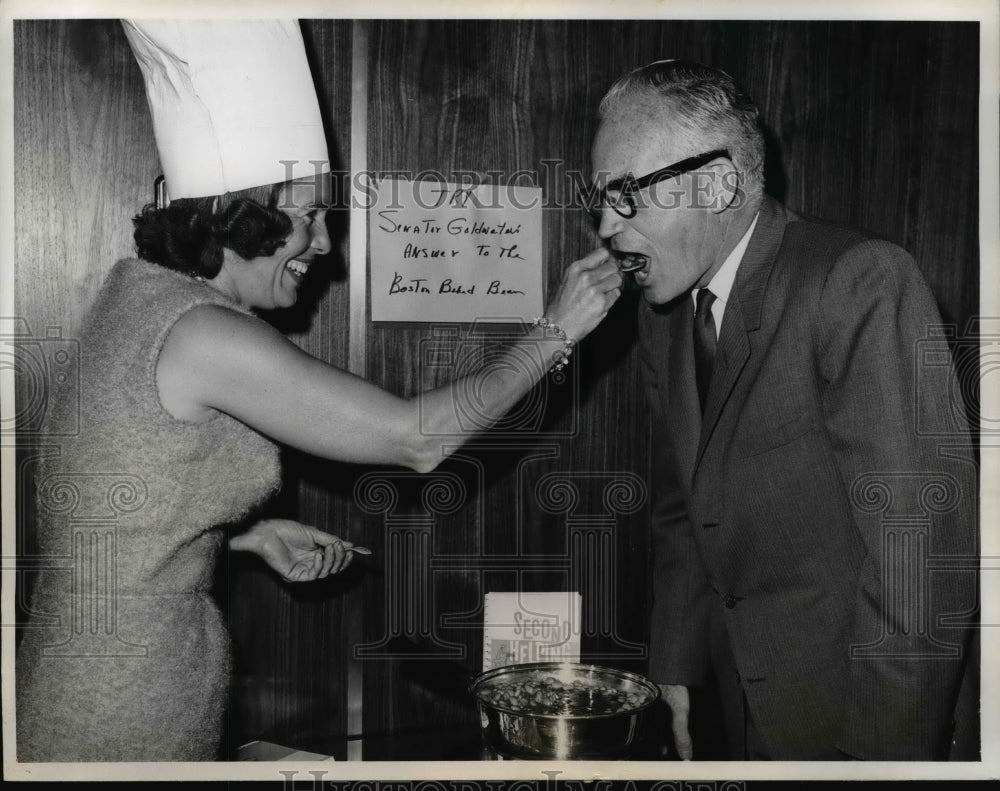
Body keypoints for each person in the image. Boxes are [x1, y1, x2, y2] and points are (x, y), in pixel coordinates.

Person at [15, 21, 622, 762]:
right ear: (236, 212)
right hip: (121, 704)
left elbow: (100, 508)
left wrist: (235, 540)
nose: (325, 245)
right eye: (304, 216)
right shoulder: (201, 332)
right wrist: (555, 330)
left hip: (96, 680)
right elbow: (416, 437)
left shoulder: (138, 298)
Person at [587, 59, 977, 760]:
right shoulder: (666, 316)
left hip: (856, 719)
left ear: (718, 182)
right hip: (734, 706)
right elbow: (682, 508)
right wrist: (674, 669)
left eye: (625, 195)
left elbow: (919, 558)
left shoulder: (855, 280)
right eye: (600, 200)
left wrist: (881, 765)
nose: (607, 228)